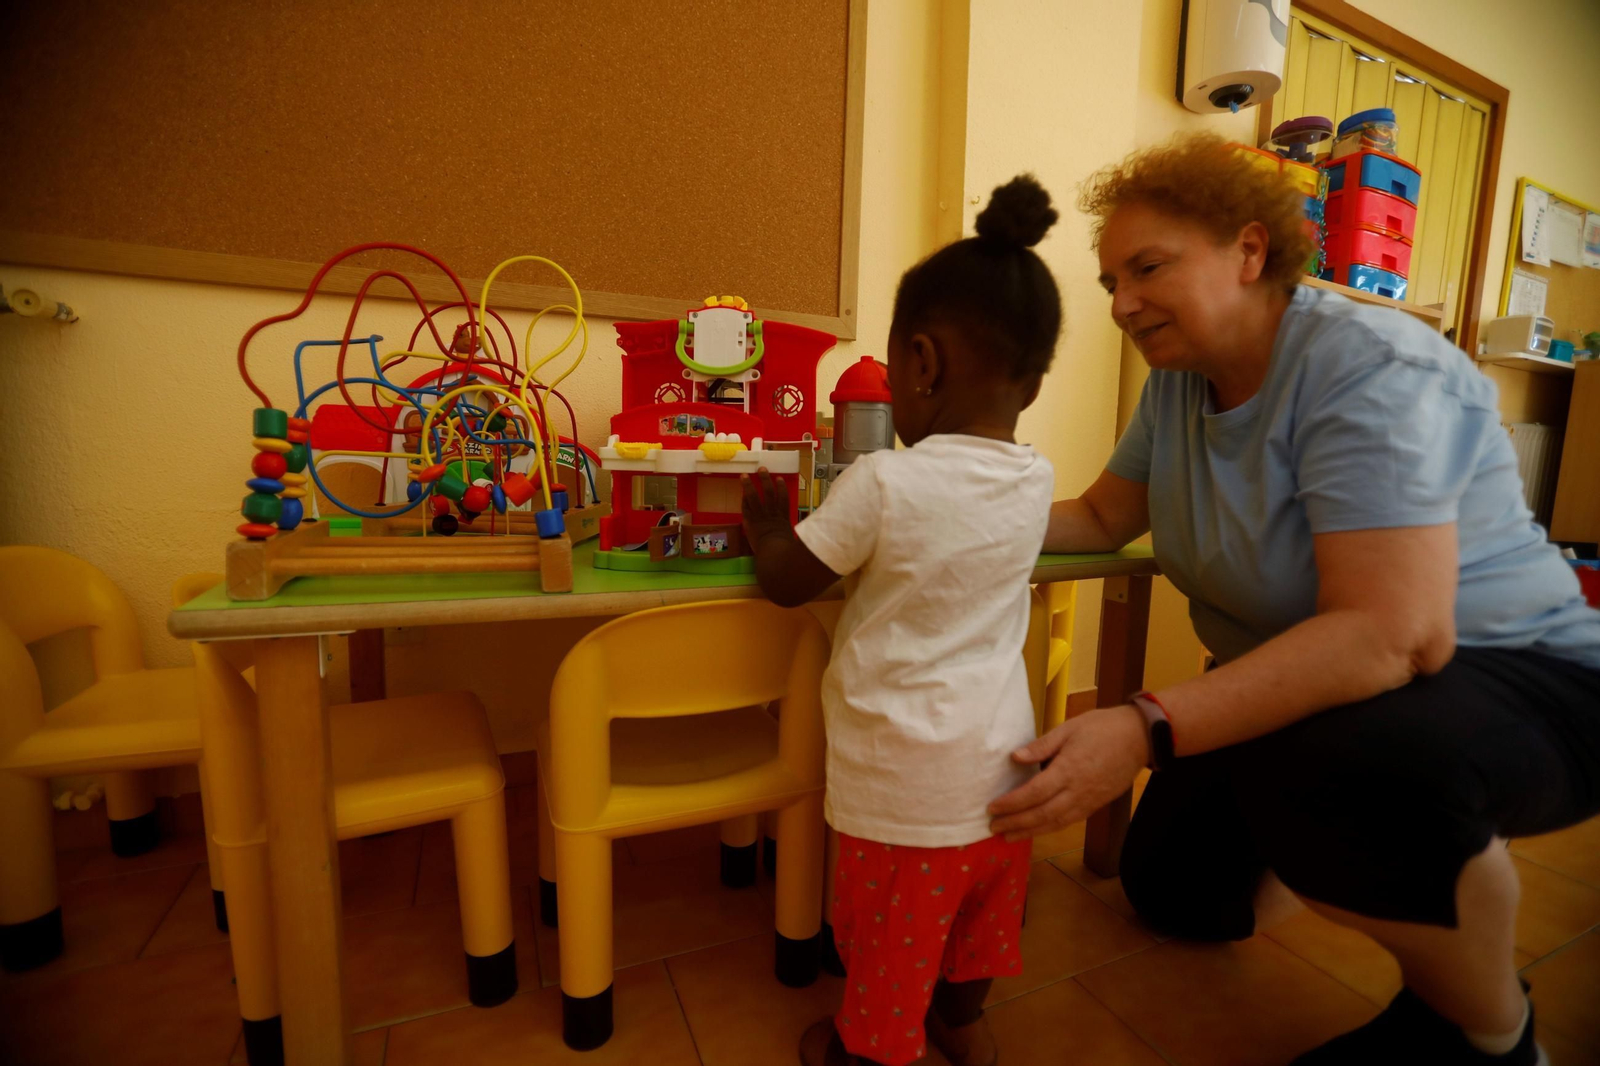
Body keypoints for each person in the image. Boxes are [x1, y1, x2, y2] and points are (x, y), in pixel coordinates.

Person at [986, 133, 1600, 1065]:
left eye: (1147, 269)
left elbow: (1393, 636)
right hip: (1318, 680)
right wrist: (941, 514)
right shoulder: (1177, 388)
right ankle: (1385, 858)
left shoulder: (1368, 366)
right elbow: (1103, 517)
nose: (1121, 304)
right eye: (1111, 280)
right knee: (1178, 896)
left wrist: (1145, 723)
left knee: (1345, 772)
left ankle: (1488, 1033)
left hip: (1515, 674)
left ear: (1249, 250)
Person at [741, 175, 1063, 1066]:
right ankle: (962, 1024)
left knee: (891, 944)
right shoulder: (1034, 480)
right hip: (1005, 776)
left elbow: (789, 582)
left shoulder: (881, 481)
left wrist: (769, 528)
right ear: (1031, 386)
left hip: (905, 794)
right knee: (974, 929)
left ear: (918, 366)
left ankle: (872, 1049)